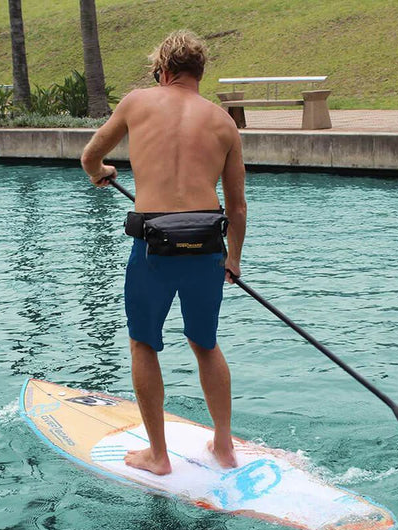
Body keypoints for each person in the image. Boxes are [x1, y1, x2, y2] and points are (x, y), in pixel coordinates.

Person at [80, 30, 247, 476]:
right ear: (199, 73)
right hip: (208, 248)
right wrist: (233, 259)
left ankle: (159, 455)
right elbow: (236, 206)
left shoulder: (137, 102)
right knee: (205, 344)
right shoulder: (223, 122)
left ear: (163, 70)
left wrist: (102, 172)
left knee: (144, 342)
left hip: (154, 250)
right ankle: (225, 445)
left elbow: (89, 156)